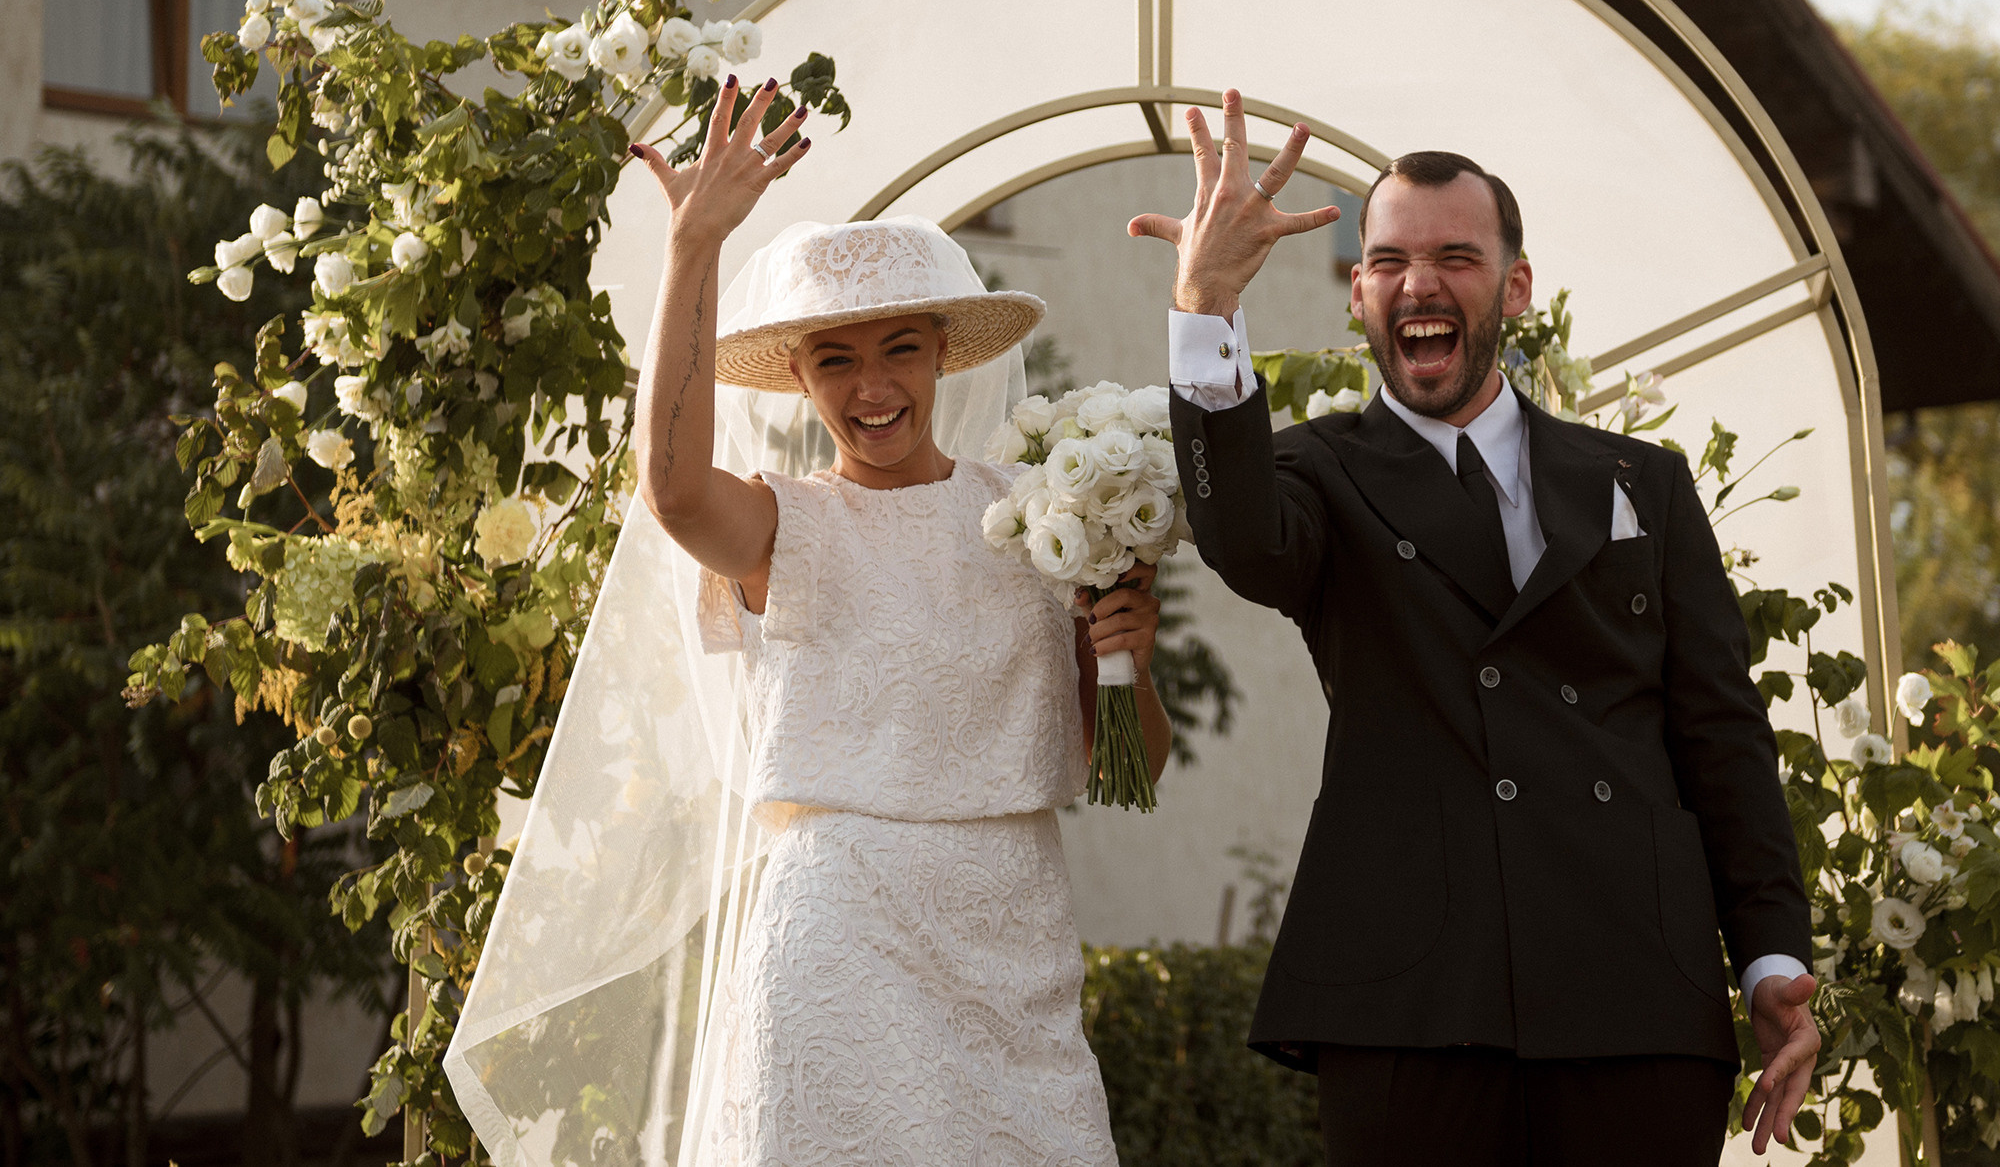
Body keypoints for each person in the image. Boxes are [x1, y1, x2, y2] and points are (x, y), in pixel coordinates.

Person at [1128, 90, 1819, 1165]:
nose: (1419, 283)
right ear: (1357, 290)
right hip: (1408, 997)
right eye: (1390, 260)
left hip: (1630, 984)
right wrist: (1205, 301)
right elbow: (1243, 541)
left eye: (1455, 256)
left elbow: (1721, 737)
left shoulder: (1645, 482)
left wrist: (1770, 958)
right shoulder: (1314, 470)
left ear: (1514, 285)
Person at [625, 74, 1171, 1165]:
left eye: (897, 349)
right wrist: (694, 246)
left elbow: (1133, 768)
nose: (871, 385)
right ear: (798, 377)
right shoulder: (789, 527)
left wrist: (1130, 662)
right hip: (838, 938)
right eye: (835, 357)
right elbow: (675, 494)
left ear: (941, 351)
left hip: (1012, 943)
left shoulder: (1036, 518)